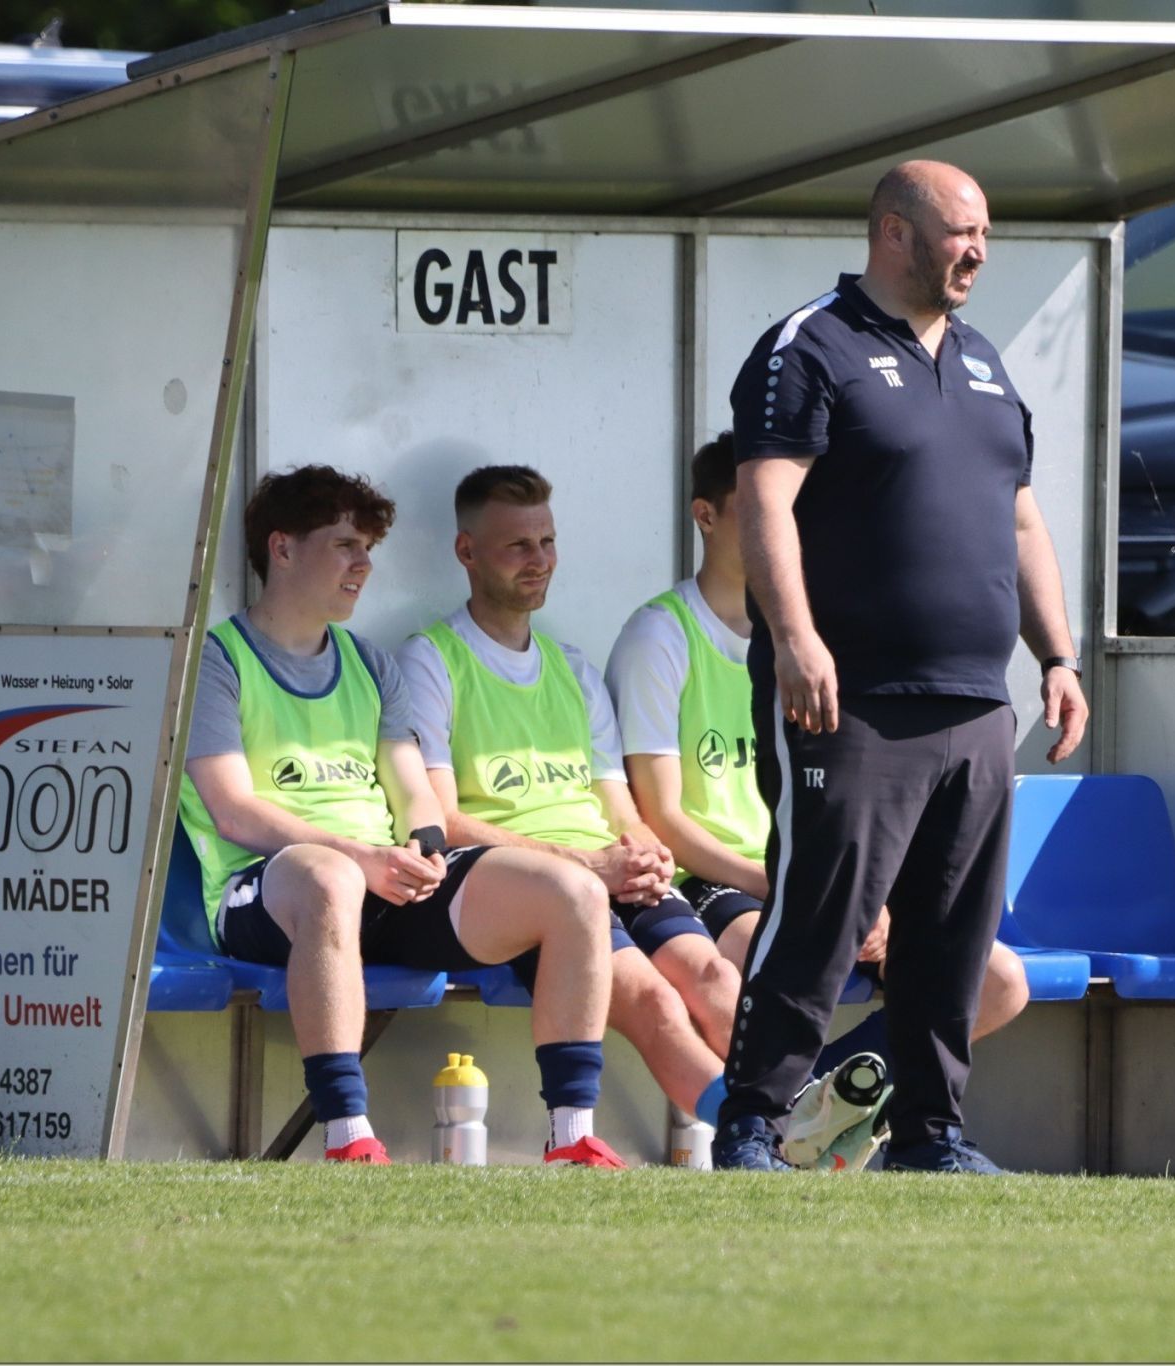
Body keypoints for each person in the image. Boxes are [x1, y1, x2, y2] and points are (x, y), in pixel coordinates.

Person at [712, 159, 1089, 1174]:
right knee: (822, 915)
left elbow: (1019, 519)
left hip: (973, 703)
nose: (973, 252)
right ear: (891, 231)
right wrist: (794, 638)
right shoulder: (810, 346)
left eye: (983, 235)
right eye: (957, 231)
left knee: (949, 932)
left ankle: (930, 1134)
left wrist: (1054, 653)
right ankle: (750, 1118)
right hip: (851, 700)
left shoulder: (982, 362)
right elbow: (765, 504)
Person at [397, 464, 885, 1164]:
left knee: (717, 979)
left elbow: (622, 809)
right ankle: (772, 1138)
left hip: (607, 874)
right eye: (518, 547)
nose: (539, 562)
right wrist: (588, 865)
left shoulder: (571, 668)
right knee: (657, 1005)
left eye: (548, 541)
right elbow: (443, 819)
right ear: (466, 552)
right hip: (527, 891)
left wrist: (641, 855)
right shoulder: (431, 660)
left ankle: (807, 1129)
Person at [177, 465, 624, 1167]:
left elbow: (415, 795)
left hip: (383, 878)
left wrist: (422, 849)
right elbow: (234, 812)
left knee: (575, 891)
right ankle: (347, 1134)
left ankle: (572, 1137)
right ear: (282, 548)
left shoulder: (370, 663)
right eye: (345, 546)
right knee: (329, 879)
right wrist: (361, 858)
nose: (363, 566)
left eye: (369, 550)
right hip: (267, 888)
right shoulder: (217, 660)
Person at [606, 431, 1031, 1158]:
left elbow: (876, 797)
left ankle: (820, 1108)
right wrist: (782, 884)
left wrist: (873, 897)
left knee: (998, 981)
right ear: (706, 516)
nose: (783, 524)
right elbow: (662, 818)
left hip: (834, 874)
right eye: (757, 507)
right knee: (756, 969)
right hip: (727, 880)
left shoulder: (824, 634)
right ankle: (781, 1123)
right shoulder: (661, 635)